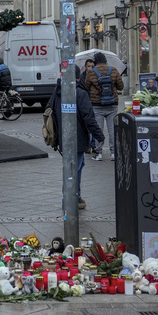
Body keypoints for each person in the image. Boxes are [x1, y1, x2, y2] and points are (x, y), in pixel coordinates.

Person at [46, 66, 103, 210]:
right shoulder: (80, 93)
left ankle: (75, 196)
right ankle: (69, 199)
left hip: (63, 137)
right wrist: (99, 136)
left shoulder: (58, 91)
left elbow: (49, 110)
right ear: (78, 77)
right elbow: (88, 117)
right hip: (76, 137)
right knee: (74, 168)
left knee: (76, 165)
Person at [83, 52, 123, 161]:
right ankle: (114, 153)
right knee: (112, 129)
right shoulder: (113, 70)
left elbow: (86, 87)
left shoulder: (91, 72)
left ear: (95, 61)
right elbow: (121, 87)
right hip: (112, 104)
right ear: (105, 60)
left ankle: (99, 153)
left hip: (97, 105)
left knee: (98, 129)